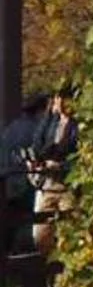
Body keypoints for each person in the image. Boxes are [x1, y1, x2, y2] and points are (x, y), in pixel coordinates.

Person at [25, 87, 77, 258]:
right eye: (57, 98)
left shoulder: (78, 125)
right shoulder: (50, 122)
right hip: (47, 183)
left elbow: (80, 156)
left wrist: (60, 165)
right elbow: (37, 145)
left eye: (64, 99)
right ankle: (48, 267)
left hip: (67, 185)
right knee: (41, 234)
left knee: (70, 231)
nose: (60, 103)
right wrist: (35, 160)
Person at [2, 94, 40, 259]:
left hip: (8, 184)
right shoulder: (37, 130)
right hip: (28, 185)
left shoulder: (9, 130)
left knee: (9, 224)